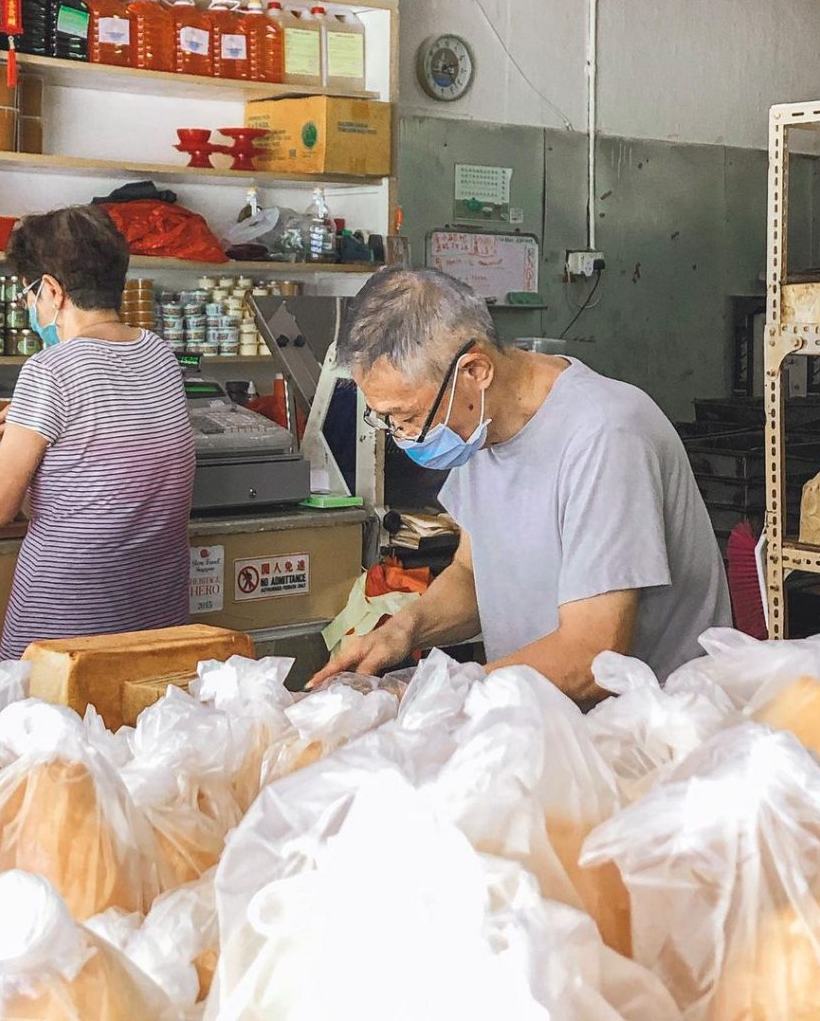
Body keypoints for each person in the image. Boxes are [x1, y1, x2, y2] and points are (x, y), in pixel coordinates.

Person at [310, 267, 730, 703]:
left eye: (407, 417)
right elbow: (473, 575)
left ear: (474, 370)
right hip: (543, 718)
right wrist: (402, 630)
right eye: (387, 420)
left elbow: (593, 657)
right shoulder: (478, 430)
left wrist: (442, 699)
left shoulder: (604, 435)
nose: (403, 435)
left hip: (654, 731)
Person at [0, 205, 195, 659]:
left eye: (28, 295)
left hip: (65, 622)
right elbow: (106, 454)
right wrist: (37, 420)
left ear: (52, 290)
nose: (30, 307)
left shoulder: (49, 371)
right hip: (154, 616)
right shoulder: (160, 357)